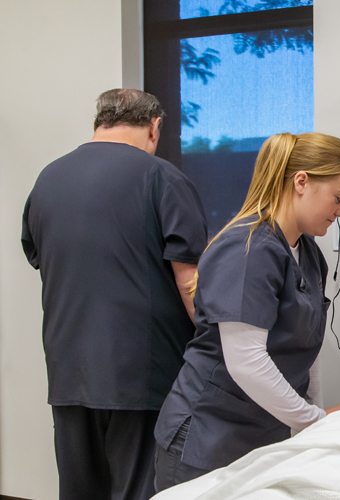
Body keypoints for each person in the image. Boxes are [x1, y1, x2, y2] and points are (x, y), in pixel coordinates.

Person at [21, 89, 207, 500]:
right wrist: (218, 343)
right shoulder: (162, 178)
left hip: (68, 369)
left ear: (98, 122)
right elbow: (189, 278)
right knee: (139, 489)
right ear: (154, 126)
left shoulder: (47, 180)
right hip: (140, 374)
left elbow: (39, 256)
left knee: (80, 489)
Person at [153, 132, 340, 490]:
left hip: (263, 431)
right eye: (339, 198)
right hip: (209, 436)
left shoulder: (308, 254)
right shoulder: (248, 249)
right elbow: (246, 361)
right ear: (301, 182)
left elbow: (306, 347)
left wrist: (311, 427)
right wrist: (315, 420)